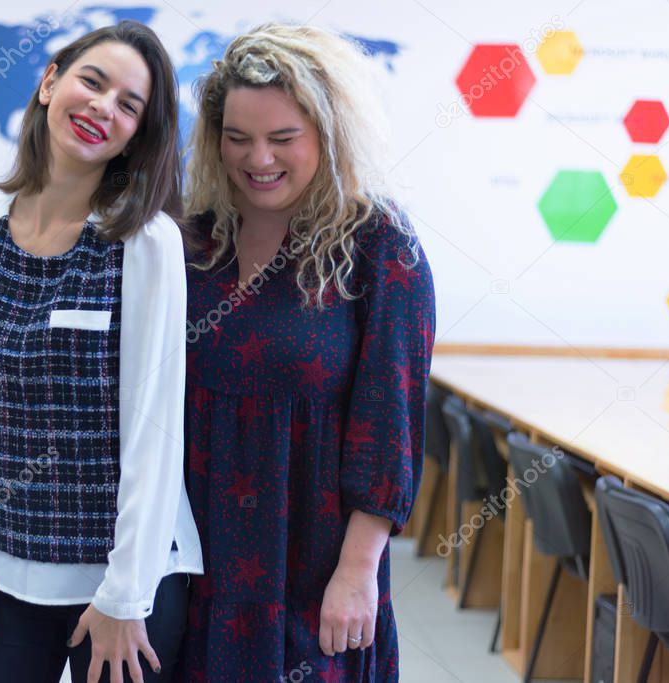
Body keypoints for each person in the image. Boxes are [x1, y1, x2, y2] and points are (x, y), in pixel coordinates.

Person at [0, 21, 203, 683]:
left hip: (125, 578)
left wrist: (123, 593)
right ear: (50, 83)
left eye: (129, 104)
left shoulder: (144, 241)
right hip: (3, 569)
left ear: (138, 133)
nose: (103, 106)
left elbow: (153, 431)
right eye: (92, 81)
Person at [179, 23, 436, 682]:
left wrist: (357, 574)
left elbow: (390, 429)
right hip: (197, 568)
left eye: (282, 138)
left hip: (317, 569)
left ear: (327, 133)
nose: (256, 158)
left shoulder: (380, 244)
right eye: (236, 138)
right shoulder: (192, 240)